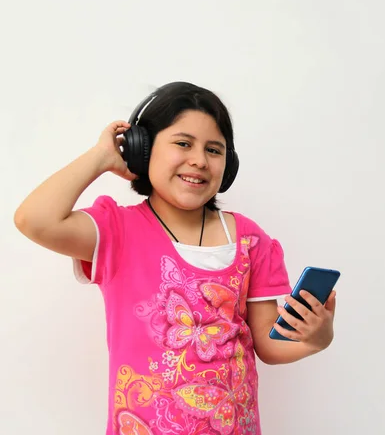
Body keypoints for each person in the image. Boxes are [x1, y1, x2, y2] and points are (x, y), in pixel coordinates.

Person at [14, 81, 336, 435]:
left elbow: (269, 344)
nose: (199, 160)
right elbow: (34, 219)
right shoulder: (116, 231)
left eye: (214, 150)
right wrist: (101, 158)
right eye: (183, 143)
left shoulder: (250, 240)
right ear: (143, 150)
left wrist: (316, 338)